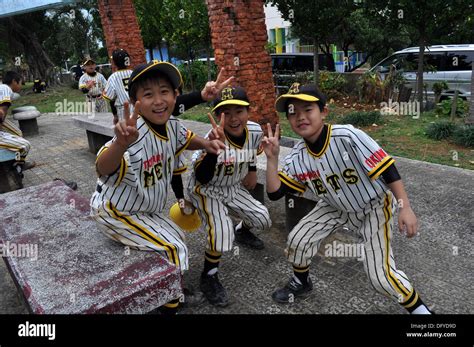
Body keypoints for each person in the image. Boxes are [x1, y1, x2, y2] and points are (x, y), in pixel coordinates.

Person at [263, 83, 432, 314]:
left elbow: (387, 168)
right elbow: (275, 193)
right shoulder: (297, 157)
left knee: (380, 278)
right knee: (298, 240)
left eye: (307, 109)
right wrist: (272, 160)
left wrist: (405, 207)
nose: (300, 116)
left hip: (373, 206)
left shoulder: (347, 136)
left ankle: (423, 313)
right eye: (292, 112)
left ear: (323, 112)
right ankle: (301, 281)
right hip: (333, 206)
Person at [90, 60, 226, 314]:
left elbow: (186, 139)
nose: (158, 100)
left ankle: (161, 283)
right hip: (115, 211)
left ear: (175, 96)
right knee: (175, 248)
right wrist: (120, 144)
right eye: (148, 94)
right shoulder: (131, 134)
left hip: (143, 210)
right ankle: (169, 304)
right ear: (135, 102)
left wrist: (207, 145)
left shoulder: (172, 125)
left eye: (165, 91)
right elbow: (102, 167)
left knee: (178, 237)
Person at [187, 86, 271, 307]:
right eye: (226, 113)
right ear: (217, 116)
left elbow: (252, 151)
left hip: (232, 186)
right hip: (205, 188)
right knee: (222, 232)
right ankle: (209, 275)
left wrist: (252, 170)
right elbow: (201, 177)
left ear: (248, 111)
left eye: (238, 111)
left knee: (263, 218)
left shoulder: (254, 130)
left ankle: (242, 231)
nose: (233, 118)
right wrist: (214, 150)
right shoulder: (211, 138)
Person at [0, 71, 35, 172]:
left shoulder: (2, 87)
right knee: (25, 146)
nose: (21, 86)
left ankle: (16, 159)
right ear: (14, 81)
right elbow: (2, 112)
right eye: (20, 83)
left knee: (17, 133)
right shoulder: (6, 88)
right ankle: (17, 165)